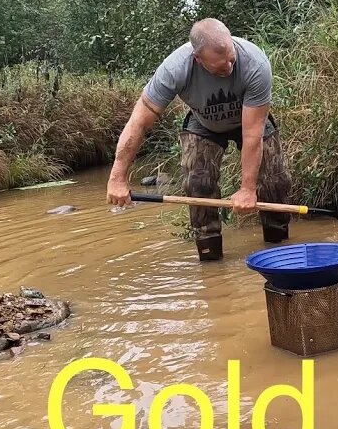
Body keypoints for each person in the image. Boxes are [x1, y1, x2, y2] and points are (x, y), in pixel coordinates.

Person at [106, 18, 292, 261]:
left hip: (249, 122)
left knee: (275, 181)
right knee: (199, 184)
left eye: (231, 59)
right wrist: (117, 178)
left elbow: (251, 134)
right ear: (198, 59)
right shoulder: (175, 68)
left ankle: (279, 250)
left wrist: (247, 189)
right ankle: (210, 259)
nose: (228, 68)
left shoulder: (255, 63)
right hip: (204, 124)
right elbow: (138, 122)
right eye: (220, 66)